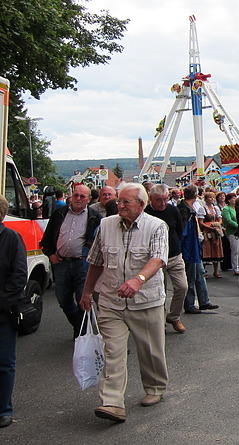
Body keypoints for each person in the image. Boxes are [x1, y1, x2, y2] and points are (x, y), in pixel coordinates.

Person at [79, 184, 170, 423]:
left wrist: (138, 280)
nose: (119, 206)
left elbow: (158, 258)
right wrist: (87, 292)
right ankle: (112, 403)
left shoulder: (157, 226)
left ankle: (155, 388)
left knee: (150, 350)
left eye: (125, 203)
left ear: (141, 204)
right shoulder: (106, 225)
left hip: (146, 301)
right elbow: (96, 261)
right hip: (111, 300)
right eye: (119, 201)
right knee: (112, 351)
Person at [40, 184, 101, 338]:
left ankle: (81, 334)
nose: (78, 199)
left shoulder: (94, 217)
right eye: (76, 195)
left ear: (89, 199)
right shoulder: (59, 214)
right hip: (61, 263)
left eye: (82, 196)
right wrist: (51, 255)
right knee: (62, 299)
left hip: (82, 264)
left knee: (82, 300)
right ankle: (78, 325)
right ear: (71, 196)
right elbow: (46, 239)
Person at [144, 184, 189, 333]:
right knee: (159, 291)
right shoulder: (145, 213)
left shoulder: (172, 210)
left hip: (174, 255)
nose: (163, 203)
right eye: (159, 200)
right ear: (151, 199)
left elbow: (179, 230)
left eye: (165, 200)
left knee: (182, 286)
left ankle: (174, 316)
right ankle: (160, 319)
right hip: (155, 258)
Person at [0, 195, 27, 429]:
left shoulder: (11, 238)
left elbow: (19, 276)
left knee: (4, 362)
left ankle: (4, 409)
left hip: (3, 312)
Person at [177, 185, 218, 314]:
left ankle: (204, 301)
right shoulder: (186, 210)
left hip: (193, 246)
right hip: (189, 248)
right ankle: (189, 304)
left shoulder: (188, 208)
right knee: (191, 277)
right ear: (195, 195)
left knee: (199, 274)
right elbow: (184, 232)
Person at [198, 191, 224, 278]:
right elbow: (201, 222)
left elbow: (220, 219)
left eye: (213, 197)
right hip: (207, 231)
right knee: (207, 250)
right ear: (205, 199)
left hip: (215, 231)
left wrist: (217, 225)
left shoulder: (216, 208)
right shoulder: (202, 209)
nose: (212, 199)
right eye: (209, 197)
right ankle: (204, 271)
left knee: (216, 249)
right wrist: (210, 227)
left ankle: (216, 271)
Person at [221, 192, 239, 276]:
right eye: (233, 198)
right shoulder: (226, 209)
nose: (235, 199)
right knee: (235, 250)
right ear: (229, 200)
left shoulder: (237, 208)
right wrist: (238, 226)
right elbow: (228, 220)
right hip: (232, 232)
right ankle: (236, 267)